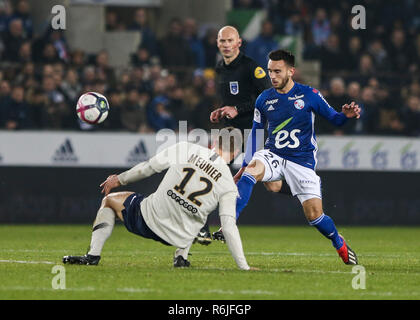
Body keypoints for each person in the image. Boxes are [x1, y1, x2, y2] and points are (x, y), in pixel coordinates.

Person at [233, 49, 361, 265]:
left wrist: (346, 116)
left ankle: (338, 241)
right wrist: (245, 165)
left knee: (315, 217)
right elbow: (255, 133)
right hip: (272, 154)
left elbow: (336, 120)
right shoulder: (264, 99)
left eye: (277, 71)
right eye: (269, 71)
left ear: (291, 71)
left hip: (301, 162)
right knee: (251, 173)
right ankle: (230, 222)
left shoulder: (310, 94)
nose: (272, 76)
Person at [63, 128, 256, 270]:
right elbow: (229, 227)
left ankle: (92, 255)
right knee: (199, 210)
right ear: (237, 152)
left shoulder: (186, 148)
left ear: (214, 141)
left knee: (110, 201)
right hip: (182, 235)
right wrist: (244, 267)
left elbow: (149, 167)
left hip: (149, 220)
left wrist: (119, 179)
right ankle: (181, 258)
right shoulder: (229, 185)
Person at [199, 26, 291, 245]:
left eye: (230, 40)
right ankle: (201, 224)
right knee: (212, 166)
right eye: (222, 41)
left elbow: (269, 97)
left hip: (256, 129)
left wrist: (237, 109)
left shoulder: (252, 68)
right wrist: (221, 110)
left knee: (274, 185)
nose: (226, 44)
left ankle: (303, 186)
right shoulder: (220, 68)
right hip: (233, 130)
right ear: (218, 43)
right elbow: (230, 101)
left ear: (239, 42)